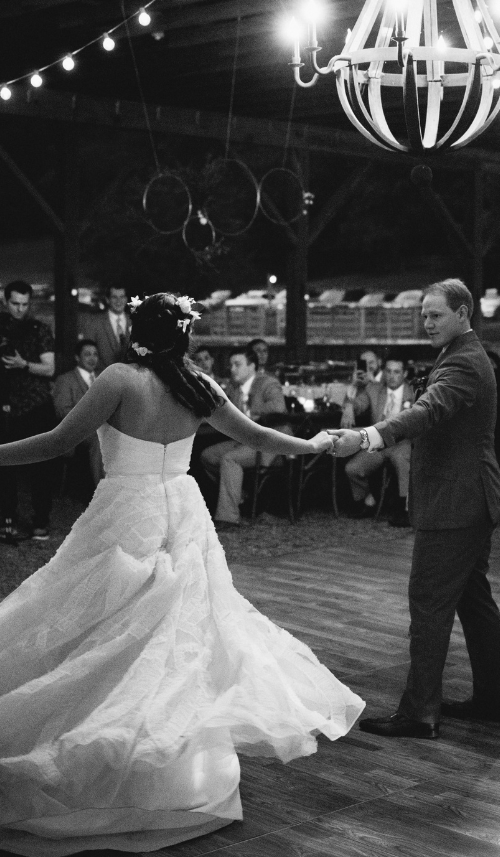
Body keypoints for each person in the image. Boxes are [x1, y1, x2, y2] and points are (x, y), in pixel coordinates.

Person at [0, 291, 364, 856]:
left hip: (129, 511)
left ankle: (109, 752)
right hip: (183, 510)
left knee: (104, 622)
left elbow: (58, 442)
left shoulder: (119, 379)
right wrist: (313, 442)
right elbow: (257, 436)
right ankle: (170, 770)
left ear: (136, 334)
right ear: (184, 335)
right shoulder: (198, 384)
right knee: (177, 636)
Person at [331, 279, 500, 739]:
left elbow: (425, 412)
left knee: (428, 605)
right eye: (423, 314)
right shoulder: (462, 354)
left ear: (463, 314)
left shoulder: (464, 361)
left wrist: (366, 436)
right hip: (469, 498)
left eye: (435, 315)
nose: (426, 322)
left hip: (456, 502)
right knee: (474, 601)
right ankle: (493, 697)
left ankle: (420, 714)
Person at [201, 346, 286, 527]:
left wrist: (251, 411)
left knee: (230, 459)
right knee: (208, 456)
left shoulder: (268, 383)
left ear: (252, 366)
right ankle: (239, 493)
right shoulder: (234, 388)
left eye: (237, 364)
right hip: (245, 440)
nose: (232, 369)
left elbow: (279, 408)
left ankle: (228, 518)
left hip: (271, 443)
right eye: (231, 365)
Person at [0, 279, 55, 543]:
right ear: (5, 301)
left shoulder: (39, 329)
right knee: (5, 465)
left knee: (40, 467)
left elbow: (49, 368)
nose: (20, 309)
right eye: (15, 304)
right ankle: (6, 520)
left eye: (24, 304)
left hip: (36, 405)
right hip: (6, 406)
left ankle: (40, 520)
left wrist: (23, 364)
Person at [343, 356, 414, 526]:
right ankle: (368, 499)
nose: (391, 376)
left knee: (402, 461)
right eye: (388, 371)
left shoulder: (413, 392)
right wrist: (349, 405)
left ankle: (405, 509)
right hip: (379, 443)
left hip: (403, 442)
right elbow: (358, 404)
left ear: (404, 374)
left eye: (396, 372)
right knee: (352, 469)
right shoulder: (375, 390)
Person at [52, 338, 103, 490]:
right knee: (99, 439)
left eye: (95, 354)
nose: (92, 358)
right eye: (87, 354)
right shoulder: (65, 380)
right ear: (77, 357)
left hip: (106, 426)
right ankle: (102, 491)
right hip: (78, 431)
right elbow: (62, 410)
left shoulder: (104, 378)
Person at [78, 284, 131, 371]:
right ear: (107, 300)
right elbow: (87, 354)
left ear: (126, 299)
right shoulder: (94, 322)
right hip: (102, 376)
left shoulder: (135, 321)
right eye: (114, 297)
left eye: (122, 297)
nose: (118, 301)